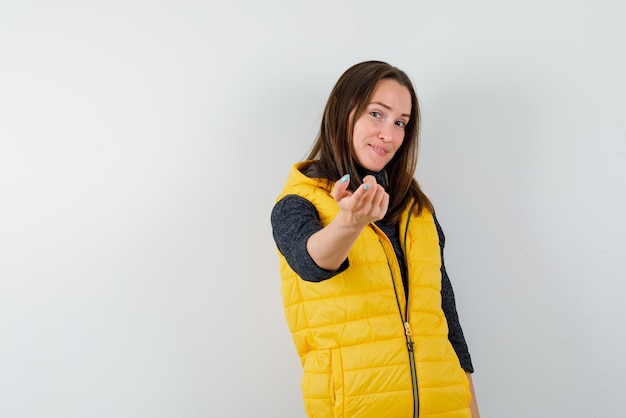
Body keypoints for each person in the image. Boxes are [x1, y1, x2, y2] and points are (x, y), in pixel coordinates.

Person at [271, 60, 480, 418]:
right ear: (342, 109)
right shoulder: (298, 203)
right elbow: (313, 263)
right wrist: (350, 224)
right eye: (377, 114)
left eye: (400, 122)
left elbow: (446, 316)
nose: (390, 133)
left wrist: (472, 408)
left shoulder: (417, 211)